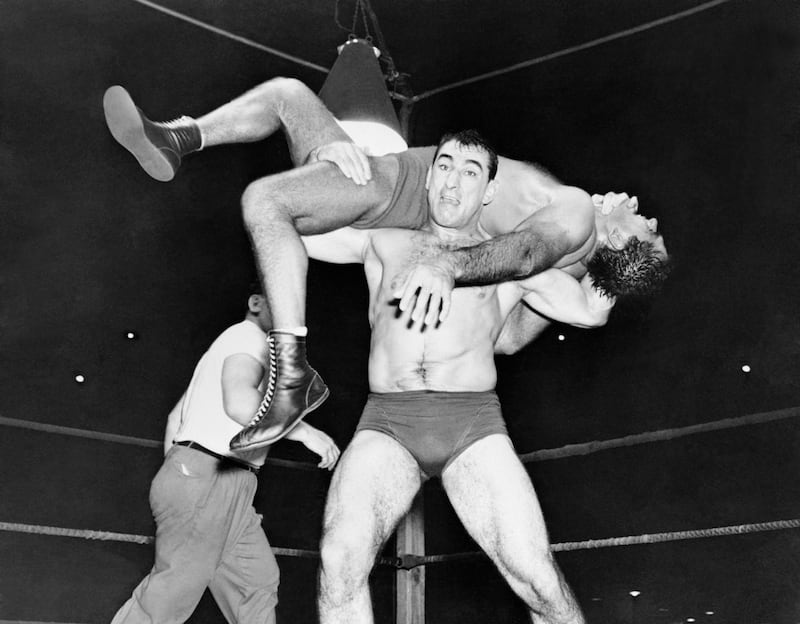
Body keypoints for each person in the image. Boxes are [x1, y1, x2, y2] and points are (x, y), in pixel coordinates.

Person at [103, 78, 668, 450]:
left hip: (413, 189)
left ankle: (292, 373)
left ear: (620, 239)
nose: (641, 206)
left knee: (276, 165)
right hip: (406, 193)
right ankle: (176, 138)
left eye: (648, 226)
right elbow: (517, 317)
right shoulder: (570, 253)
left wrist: (451, 272)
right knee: (289, 117)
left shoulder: (577, 217)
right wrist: (592, 296)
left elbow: (515, 297)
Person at [299, 130, 662, 624]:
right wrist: (323, 159)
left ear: (489, 191)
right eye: (444, 166)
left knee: (535, 577)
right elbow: (299, 227)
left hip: (471, 426)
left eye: (470, 172)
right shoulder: (383, 241)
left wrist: (615, 238)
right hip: (387, 422)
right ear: (428, 178)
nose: (453, 181)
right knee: (339, 562)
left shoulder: (507, 262)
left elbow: (590, 311)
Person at [110, 284, 340, 624]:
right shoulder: (249, 337)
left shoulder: (230, 347)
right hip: (211, 475)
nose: (290, 312)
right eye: (281, 301)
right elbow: (240, 403)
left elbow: (175, 418)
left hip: (221, 482)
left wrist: (182, 472)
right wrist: (306, 432)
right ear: (256, 303)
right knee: (172, 593)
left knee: (255, 582)